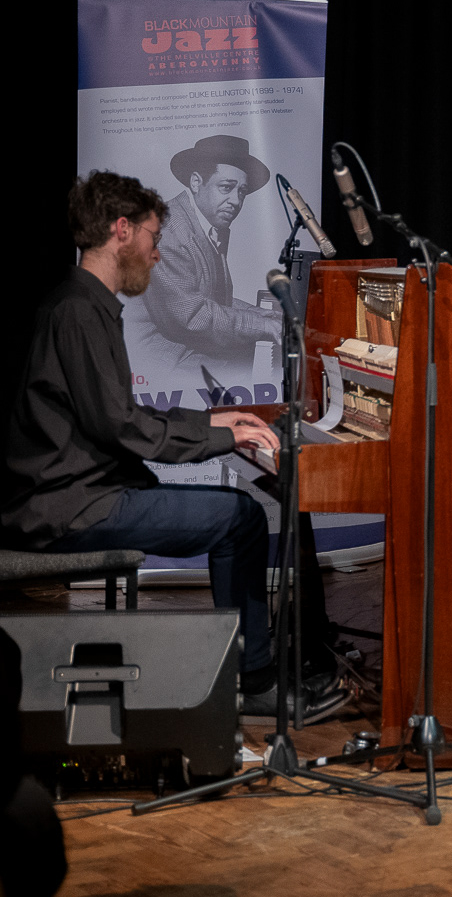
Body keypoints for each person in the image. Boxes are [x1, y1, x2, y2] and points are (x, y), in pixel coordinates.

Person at [0, 172, 347, 723]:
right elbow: (123, 428)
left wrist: (213, 418)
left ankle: (255, 665)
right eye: (153, 238)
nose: (157, 255)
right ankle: (253, 681)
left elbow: (120, 416)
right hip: (70, 509)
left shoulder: (83, 304)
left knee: (239, 517)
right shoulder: (78, 312)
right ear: (122, 231)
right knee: (240, 519)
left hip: (78, 496)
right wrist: (220, 437)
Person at [123, 134, 282, 370]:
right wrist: (263, 326)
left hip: (184, 342)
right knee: (245, 370)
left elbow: (209, 298)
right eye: (226, 188)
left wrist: (262, 315)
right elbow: (194, 316)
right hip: (161, 358)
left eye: (242, 192)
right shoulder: (168, 233)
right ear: (196, 183)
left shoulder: (204, 223)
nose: (235, 201)